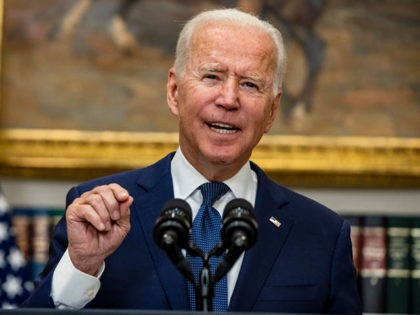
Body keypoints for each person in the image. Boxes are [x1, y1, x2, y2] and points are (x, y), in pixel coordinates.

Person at [22, 8, 361, 314]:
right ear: (174, 92)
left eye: (250, 84)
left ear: (272, 111)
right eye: (212, 76)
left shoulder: (322, 234)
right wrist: (82, 265)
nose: (229, 99)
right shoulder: (100, 212)